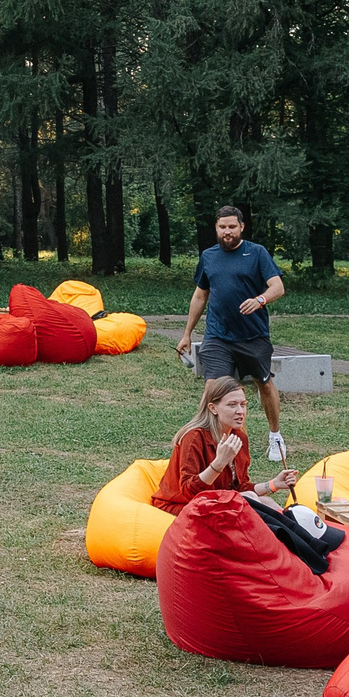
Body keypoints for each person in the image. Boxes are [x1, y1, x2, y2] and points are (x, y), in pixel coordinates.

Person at [176, 205, 289, 462]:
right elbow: (200, 296)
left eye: (232, 227)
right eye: (222, 227)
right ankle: (203, 439)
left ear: (241, 227)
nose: (227, 231)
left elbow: (278, 287)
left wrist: (259, 300)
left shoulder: (256, 253)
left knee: (264, 383)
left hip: (253, 336)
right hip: (218, 336)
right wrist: (187, 333)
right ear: (216, 228)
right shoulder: (209, 256)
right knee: (213, 388)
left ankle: (275, 436)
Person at [150, 377, 301, 513]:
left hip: (213, 502)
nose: (240, 411)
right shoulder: (194, 438)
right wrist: (219, 463)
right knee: (250, 498)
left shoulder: (239, 437)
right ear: (213, 408)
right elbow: (189, 492)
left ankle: (293, 530)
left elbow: (239, 487)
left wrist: (273, 484)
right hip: (181, 506)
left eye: (243, 404)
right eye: (232, 405)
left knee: (267, 502)